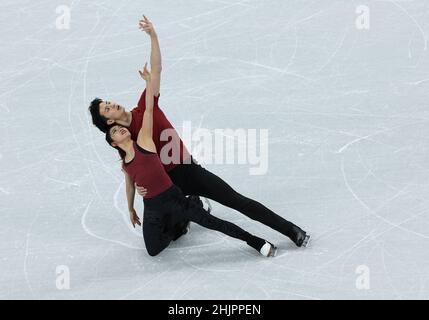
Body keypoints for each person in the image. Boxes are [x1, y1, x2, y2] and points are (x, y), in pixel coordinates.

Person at [89, 15, 310, 249]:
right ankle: (188, 209)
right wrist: (135, 197)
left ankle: (290, 229)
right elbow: (130, 169)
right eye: (107, 108)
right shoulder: (123, 140)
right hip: (165, 189)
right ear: (109, 121)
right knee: (157, 239)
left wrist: (153, 35)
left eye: (109, 102)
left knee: (236, 200)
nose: (112, 104)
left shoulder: (145, 107)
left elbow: (157, 69)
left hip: (187, 169)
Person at [106, 63, 278, 257]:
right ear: (114, 144)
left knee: (213, 222)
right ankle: (179, 224)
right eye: (114, 132)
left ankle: (255, 241)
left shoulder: (145, 141)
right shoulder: (125, 162)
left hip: (175, 196)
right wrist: (130, 208)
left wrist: (148, 81)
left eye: (119, 128)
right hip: (153, 207)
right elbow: (130, 181)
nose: (120, 130)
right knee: (153, 250)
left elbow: (148, 111)